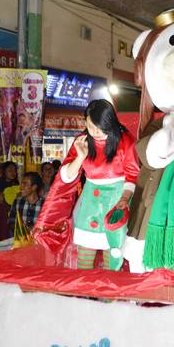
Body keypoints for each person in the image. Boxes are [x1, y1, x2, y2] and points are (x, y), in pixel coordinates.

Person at [37, 99, 139, 271]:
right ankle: (84, 295)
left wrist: (124, 199)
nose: (95, 132)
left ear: (109, 122)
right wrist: (80, 156)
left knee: (112, 256)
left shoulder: (125, 140)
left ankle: (110, 296)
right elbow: (66, 176)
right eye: (90, 126)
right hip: (90, 202)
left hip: (117, 200)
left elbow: (133, 174)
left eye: (99, 127)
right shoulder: (82, 140)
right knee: (84, 258)